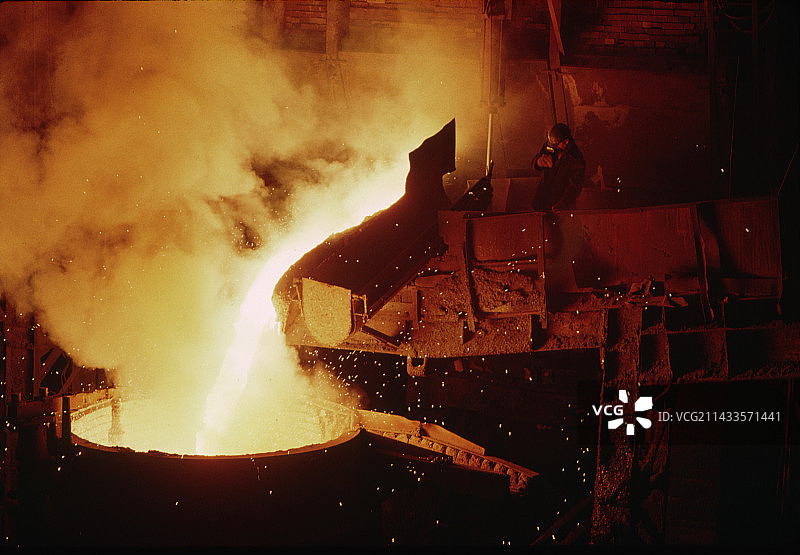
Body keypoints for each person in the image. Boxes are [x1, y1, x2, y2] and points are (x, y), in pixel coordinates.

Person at [531, 123, 586, 210]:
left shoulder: (575, 158)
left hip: (559, 205)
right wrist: (538, 162)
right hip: (542, 198)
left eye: (557, 144)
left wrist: (563, 204)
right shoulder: (550, 147)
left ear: (566, 141)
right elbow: (535, 161)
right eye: (553, 145)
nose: (554, 147)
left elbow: (575, 186)